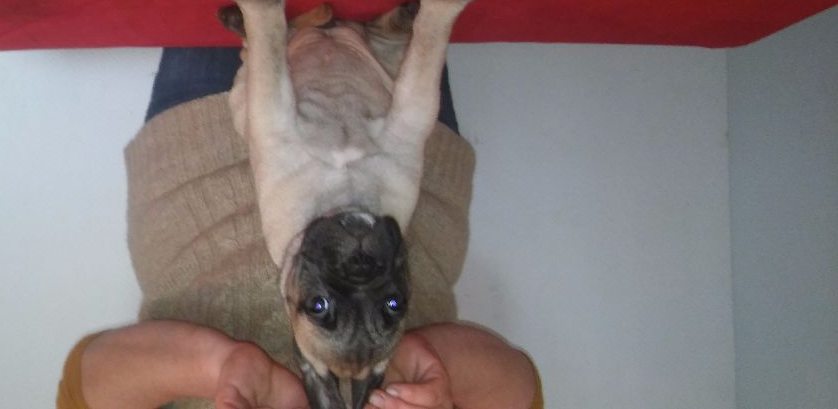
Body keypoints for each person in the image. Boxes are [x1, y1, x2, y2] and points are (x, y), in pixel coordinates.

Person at [57, 47, 542, 409]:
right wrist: (425, 365)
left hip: (214, 139)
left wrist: (221, 368)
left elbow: (86, 383)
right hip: (394, 140)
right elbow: (520, 390)